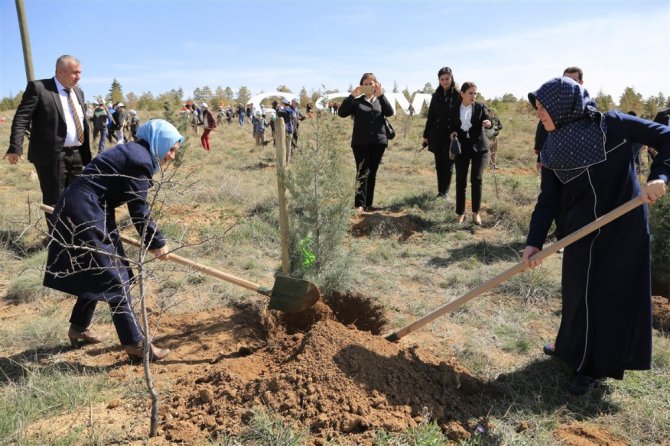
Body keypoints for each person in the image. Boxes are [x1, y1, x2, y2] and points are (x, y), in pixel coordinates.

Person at [522, 77, 670, 395]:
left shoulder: (613, 125)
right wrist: (533, 241)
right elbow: (547, 200)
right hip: (580, 229)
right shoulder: (552, 148)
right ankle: (570, 348)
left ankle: (593, 368)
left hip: (624, 226)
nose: (539, 114)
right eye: (537, 109)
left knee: (607, 295)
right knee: (578, 292)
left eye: (543, 108)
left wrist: (660, 176)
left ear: (563, 106)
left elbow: (667, 137)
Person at [43, 119, 184, 361]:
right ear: (158, 141)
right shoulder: (139, 159)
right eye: (170, 149)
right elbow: (139, 209)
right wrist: (156, 242)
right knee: (114, 279)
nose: (171, 156)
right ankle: (136, 344)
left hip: (89, 209)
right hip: (83, 213)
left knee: (108, 271)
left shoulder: (137, 152)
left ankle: (79, 327)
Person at [4, 55, 92, 228]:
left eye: (80, 73)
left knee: (78, 196)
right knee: (55, 199)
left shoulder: (78, 92)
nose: (78, 77)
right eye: (75, 73)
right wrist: (16, 146)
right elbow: (22, 117)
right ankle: (57, 241)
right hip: (52, 155)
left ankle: (74, 236)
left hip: (78, 154)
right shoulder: (39, 88)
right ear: (60, 71)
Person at [338, 72, 394, 212]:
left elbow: (389, 112)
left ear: (376, 85)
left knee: (372, 172)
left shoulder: (380, 99)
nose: (368, 86)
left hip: (378, 142)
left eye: (371, 84)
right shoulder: (357, 102)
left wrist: (381, 95)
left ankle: (368, 204)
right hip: (360, 142)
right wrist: (351, 95)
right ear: (361, 86)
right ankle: (359, 205)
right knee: (362, 172)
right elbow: (342, 113)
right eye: (365, 84)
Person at [453, 81, 492, 225]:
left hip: (479, 148)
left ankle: (476, 213)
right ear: (462, 94)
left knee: (476, 179)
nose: (473, 96)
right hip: (461, 148)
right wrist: (452, 133)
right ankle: (460, 213)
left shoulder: (480, 106)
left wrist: (487, 122)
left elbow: (487, 117)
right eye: (470, 93)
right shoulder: (454, 107)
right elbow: (451, 125)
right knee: (460, 181)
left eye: (475, 93)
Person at [423, 67, 460, 199]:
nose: (445, 81)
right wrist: (426, 135)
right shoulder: (436, 95)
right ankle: (440, 192)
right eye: (442, 79)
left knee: (449, 164)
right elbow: (431, 117)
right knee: (439, 165)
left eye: (447, 79)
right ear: (439, 80)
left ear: (451, 79)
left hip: (451, 136)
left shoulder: (458, 95)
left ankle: (445, 193)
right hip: (436, 136)